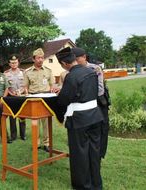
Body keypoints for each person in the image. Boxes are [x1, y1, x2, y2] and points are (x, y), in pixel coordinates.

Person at [56, 47, 103, 190]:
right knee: (94, 153)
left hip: (79, 120)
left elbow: (64, 99)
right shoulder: (92, 71)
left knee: (79, 155)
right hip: (95, 116)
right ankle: (96, 183)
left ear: (64, 63)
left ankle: (83, 186)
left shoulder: (71, 76)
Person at [72, 47, 110, 159]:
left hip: (98, 103)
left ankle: (99, 154)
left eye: (76, 59)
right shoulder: (73, 71)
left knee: (102, 129)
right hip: (82, 107)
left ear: (84, 57)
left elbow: (100, 89)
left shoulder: (95, 68)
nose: (74, 62)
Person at [24, 48, 58, 152]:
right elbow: (25, 86)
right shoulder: (27, 72)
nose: (40, 60)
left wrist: (53, 88)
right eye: (38, 58)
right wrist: (26, 93)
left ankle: (46, 143)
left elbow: (53, 84)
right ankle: (36, 143)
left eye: (42, 58)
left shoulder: (48, 70)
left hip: (46, 98)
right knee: (35, 122)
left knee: (46, 122)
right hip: (34, 98)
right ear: (34, 59)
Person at [4, 55, 27, 141]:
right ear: (9, 64)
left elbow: (26, 84)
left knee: (22, 116)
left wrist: (21, 92)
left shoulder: (23, 72)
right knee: (12, 117)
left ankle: (23, 134)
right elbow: (6, 86)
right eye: (12, 63)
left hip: (21, 96)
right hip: (11, 97)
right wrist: (11, 93)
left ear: (18, 63)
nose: (14, 64)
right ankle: (13, 135)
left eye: (15, 62)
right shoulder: (6, 74)